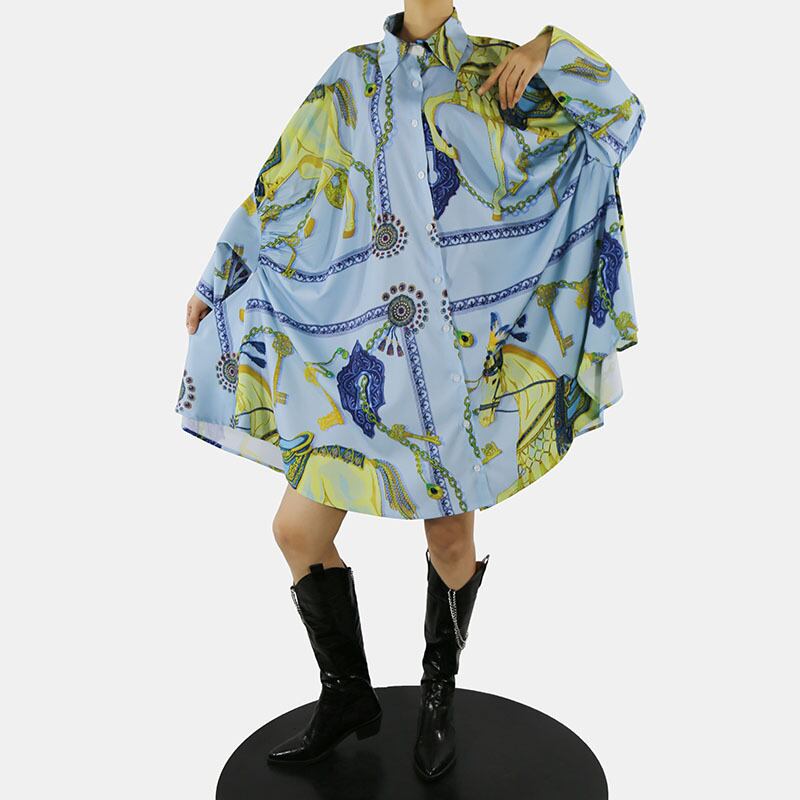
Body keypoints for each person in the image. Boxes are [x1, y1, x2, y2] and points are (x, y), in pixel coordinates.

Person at [178, 0, 645, 782]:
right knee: (296, 531)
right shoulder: (352, 78)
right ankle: (346, 697)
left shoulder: (497, 71)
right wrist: (217, 274)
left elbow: (618, 122)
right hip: (361, 355)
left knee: (450, 543)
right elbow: (282, 185)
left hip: (454, 373)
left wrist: (550, 47)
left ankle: (436, 700)